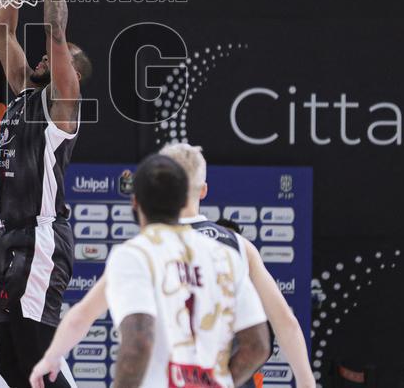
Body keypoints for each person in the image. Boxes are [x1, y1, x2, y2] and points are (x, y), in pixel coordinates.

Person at [31, 154, 270, 388]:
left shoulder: (137, 254)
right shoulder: (225, 255)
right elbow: (258, 345)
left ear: (135, 202)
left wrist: (50, 358)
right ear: (183, 201)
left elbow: (135, 341)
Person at [0, 0, 91, 388]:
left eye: (60, 58)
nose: (47, 58)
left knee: (36, 366)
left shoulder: (62, 105)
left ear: (72, 73)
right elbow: (0, 29)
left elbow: (54, 27)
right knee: (10, 367)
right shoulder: (23, 93)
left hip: (40, 240)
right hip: (8, 239)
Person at [158, 143, 315, 388]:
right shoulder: (239, 246)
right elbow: (286, 322)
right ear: (203, 190)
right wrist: (307, 383)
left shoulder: (147, 247)